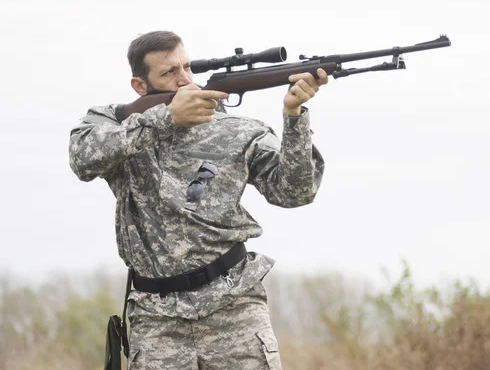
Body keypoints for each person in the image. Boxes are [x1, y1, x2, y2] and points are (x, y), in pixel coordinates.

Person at [68, 30, 327, 370]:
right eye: (168, 73)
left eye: (187, 67)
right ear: (139, 86)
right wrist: (167, 118)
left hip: (234, 305)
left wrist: (294, 116)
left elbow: (295, 193)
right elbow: (82, 157)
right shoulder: (120, 123)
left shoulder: (239, 128)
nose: (185, 79)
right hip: (156, 316)